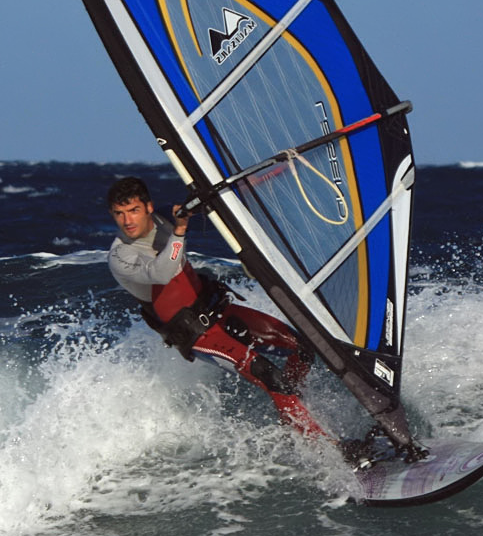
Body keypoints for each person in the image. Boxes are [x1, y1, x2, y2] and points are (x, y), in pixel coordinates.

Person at [105, 176, 328, 439]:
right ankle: (330, 447)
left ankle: (292, 414)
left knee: (303, 350)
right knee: (269, 375)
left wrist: (258, 178)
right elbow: (163, 273)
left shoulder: (166, 215)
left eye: (133, 211)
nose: (127, 221)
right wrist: (179, 231)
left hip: (217, 312)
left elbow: (209, 202)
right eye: (119, 214)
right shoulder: (121, 256)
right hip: (196, 334)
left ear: (149, 208)